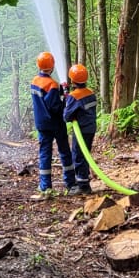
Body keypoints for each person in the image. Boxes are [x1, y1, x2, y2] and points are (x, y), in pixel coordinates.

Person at [28, 51, 71, 193]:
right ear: (52, 66)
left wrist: (60, 92)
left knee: (45, 153)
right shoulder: (52, 85)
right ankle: (70, 182)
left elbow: (43, 100)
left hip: (41, 124)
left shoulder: (34, 82)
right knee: (64, 150)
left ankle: (45, 185)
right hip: (55, 123)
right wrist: (65, 98)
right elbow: (55, 107)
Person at [62, 63, 98, 196]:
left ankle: (83, 185)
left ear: (72, 80)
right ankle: (84, 180)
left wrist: (67, 101)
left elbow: (67, 116)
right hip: (91, 128)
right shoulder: (90, 93)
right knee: (85, 154)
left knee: (78, 155)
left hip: (81, 129)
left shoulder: (74, 96)